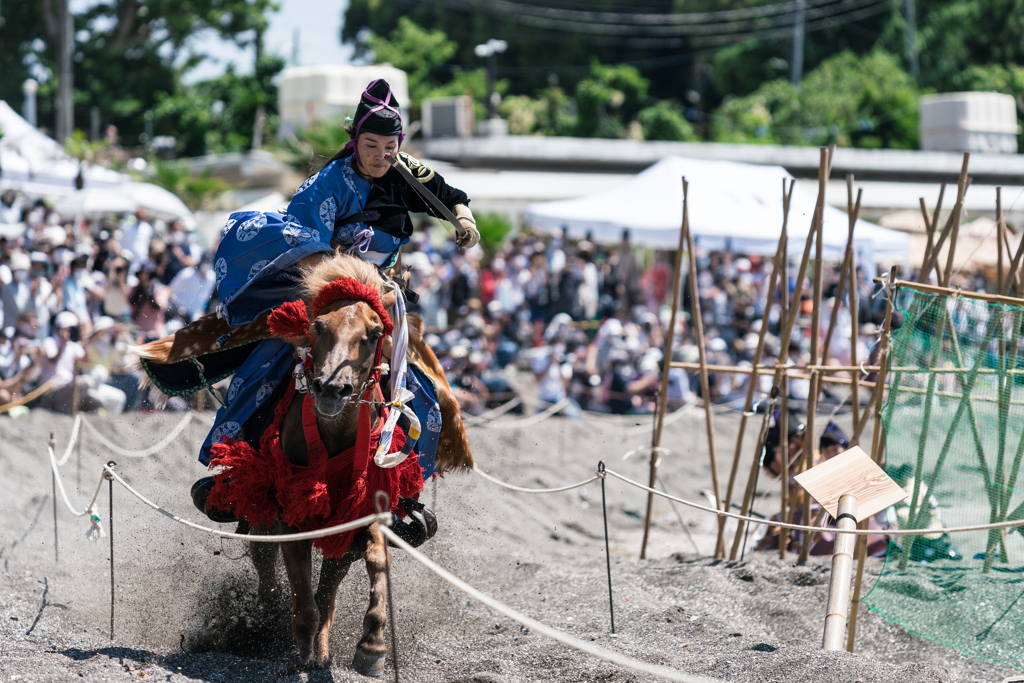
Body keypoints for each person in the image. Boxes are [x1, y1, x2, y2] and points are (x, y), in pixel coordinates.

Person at [175, 80, 478, 540]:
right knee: (268, 364)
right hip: (326, 291)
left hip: (384, 300)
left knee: (426, 392)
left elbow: (452, 195)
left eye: (389, 147)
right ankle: (233, 469)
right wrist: (355, 282)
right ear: (354, 139)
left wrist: (465, 219)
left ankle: (405, 495)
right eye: (370, 145)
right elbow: (306, 247)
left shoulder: (404, 170)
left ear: (400, 144)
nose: (380, 156)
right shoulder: (329, 181)